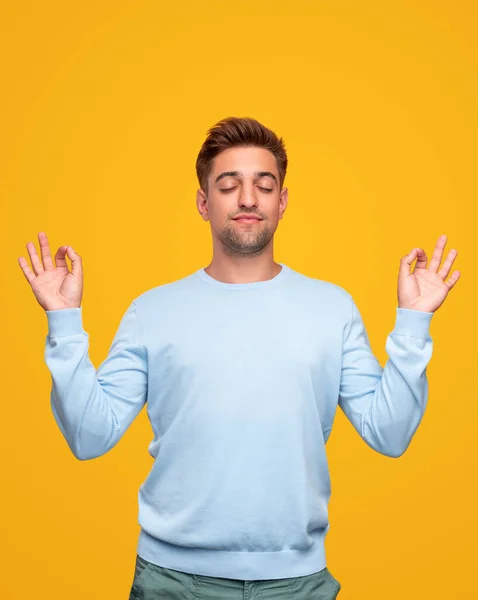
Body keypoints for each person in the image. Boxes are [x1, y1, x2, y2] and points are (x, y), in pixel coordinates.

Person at [18, 117, 460, 600]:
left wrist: (414, 322)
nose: (248, 198)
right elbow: (89, 435)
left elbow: (390, 433)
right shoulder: (153, 310)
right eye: (229, 186)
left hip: (298, 584)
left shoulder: (332, 308)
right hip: (172, 582)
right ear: (204, 203)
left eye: (263, 186)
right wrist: (64, 320)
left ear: (282, 202)